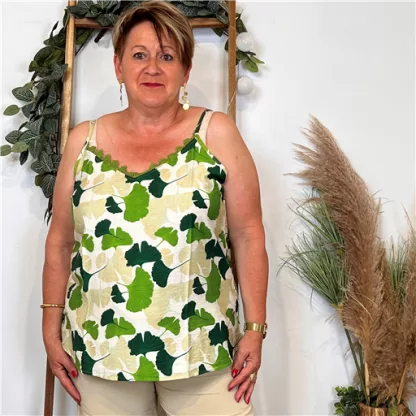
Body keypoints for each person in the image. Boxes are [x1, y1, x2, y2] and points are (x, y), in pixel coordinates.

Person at [41, 0, 269, 414]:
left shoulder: (216, 133)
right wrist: (50, 326)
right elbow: (60, 241)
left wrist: (254, 329)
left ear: (186, 70)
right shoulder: (82, 141)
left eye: (167, 57)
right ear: (118, 66)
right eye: (139, 55)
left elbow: (248, 234)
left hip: (204, 349)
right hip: (102, 349)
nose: (152, 68)